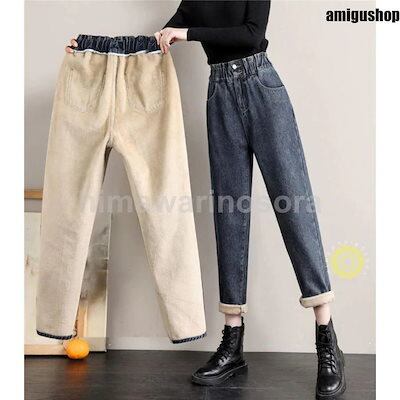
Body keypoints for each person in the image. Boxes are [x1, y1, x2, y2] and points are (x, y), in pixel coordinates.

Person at [66, 2, 346, 398]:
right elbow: (154, 43)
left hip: (262, 87)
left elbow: (251, 34)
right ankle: (232, 342)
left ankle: (326, 338)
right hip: (220, 94)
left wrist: (189, 34)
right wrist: (90, 48)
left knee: (294, 205)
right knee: (230, 214)